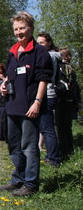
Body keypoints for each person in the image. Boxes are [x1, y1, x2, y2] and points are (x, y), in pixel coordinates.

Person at [0, 11, 52, 197]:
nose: (19, 32)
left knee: (29, 147)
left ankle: (30, 183)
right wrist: (4, 86)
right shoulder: (13, 52)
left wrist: (37, 102)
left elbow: (43, 79)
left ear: (30, 28)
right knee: (14, 146)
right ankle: (17, 179)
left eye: (22, 28)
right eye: (16, 29)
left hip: (30, 107)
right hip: (12, 106)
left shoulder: (40, 52)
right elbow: (10, 76)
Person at [36, 32, 61, 167]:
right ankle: (51, 155)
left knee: (47, 128)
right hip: (51, 92)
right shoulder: (56, 56)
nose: (39, 45)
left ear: (49, 43)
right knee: (46, 127)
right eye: (38, 42)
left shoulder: (48, 56)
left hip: (48, 93)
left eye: (42, 43)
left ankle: (54, 159)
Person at [55, 47, 81, 161]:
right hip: (71, 100)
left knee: (62, 127)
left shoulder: (63, 68)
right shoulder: (71, 68)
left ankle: (64, 152)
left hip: (63, 100)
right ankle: (69, 150)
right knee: (67, 127)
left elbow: (69, 85)